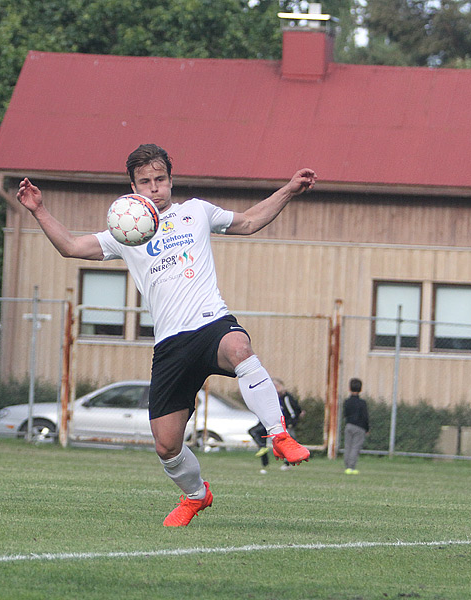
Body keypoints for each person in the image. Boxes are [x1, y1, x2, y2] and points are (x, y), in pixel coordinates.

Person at [17, 143, 315, 526]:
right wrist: (39, 209)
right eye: (146, 182)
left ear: (171, 180)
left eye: (160, 179)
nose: (154, 188)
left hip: (211, 323)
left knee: (240, 347)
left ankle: (278, 435)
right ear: (133, 187)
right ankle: (195, 495)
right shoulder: (125, 231)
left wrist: (288, 190)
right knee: (166, 444)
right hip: (171, 344)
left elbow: (250, 221)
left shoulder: (196, 211)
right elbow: (72, 247)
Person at [249, 378, 305, 473]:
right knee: (254, 431)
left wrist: (290, 424)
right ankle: (263, 451)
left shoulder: (286, 398)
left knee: (284, 443)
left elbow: (293, 413)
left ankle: (287, 463)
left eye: (276, 386)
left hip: (283, 425)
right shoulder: (270, 398)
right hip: (271, 423)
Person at [342, 378, 369, 475]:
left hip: (349, 425)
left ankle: (346, 465)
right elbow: (365, 416)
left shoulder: (347, 401)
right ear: (360, 389)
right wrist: (367, 428)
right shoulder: (362, 403)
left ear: (349, 388)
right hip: (359, 427)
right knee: (355, 447)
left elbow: (345, 413)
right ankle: (351, 467)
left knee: (348, 446)